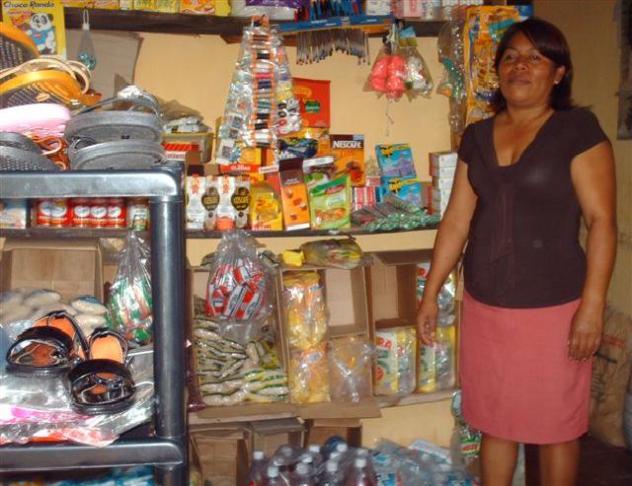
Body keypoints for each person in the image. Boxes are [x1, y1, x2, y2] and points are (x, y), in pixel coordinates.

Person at [416, 17, 617, 486]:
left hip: (554, 307)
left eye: (535, 57)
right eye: (510, 57)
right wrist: (430, 294)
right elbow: (456, 221)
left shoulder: (577, 130)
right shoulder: (477, 137)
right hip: (486, 304)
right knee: (495, 421)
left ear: (558, 73)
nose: (520, 66)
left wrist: (591, 308)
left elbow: (602, 222)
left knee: (556, 428)